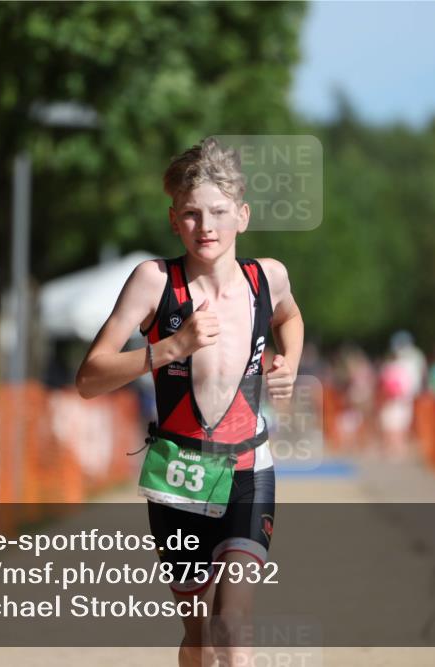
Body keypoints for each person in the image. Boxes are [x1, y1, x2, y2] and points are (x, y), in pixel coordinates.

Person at [76, 137, 304, 667]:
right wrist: (169, 348)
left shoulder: (268, 277)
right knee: (201, 633)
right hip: (178, 473)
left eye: (220, 213)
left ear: (242, 216)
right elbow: (89, 378)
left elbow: (289, 317)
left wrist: (288, 361)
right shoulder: (154, 283)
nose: (207, 227)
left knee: (233, 623)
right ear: (174, 219)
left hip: (250, 464)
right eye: (193, 214)